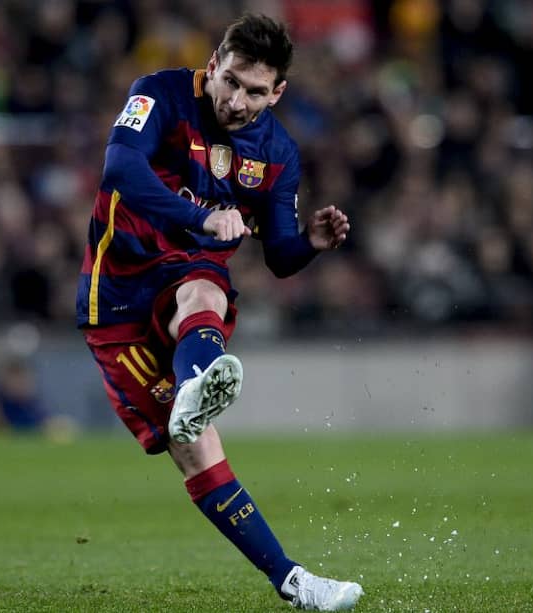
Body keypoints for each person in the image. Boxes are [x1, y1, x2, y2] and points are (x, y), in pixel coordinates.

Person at [77, 13, 362, 611]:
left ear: (277, 92)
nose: (237, 100)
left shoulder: (278, 153)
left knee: (204, 292)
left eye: (256, 91)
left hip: (190, 272)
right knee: (195, 451)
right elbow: (120, 169)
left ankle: (296, 583)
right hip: (117, 297)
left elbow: (279, 256)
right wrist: (201, 217)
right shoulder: (159, 94)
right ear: (214, 65)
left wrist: (309, 243)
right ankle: (192, 389)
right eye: (231, 81)